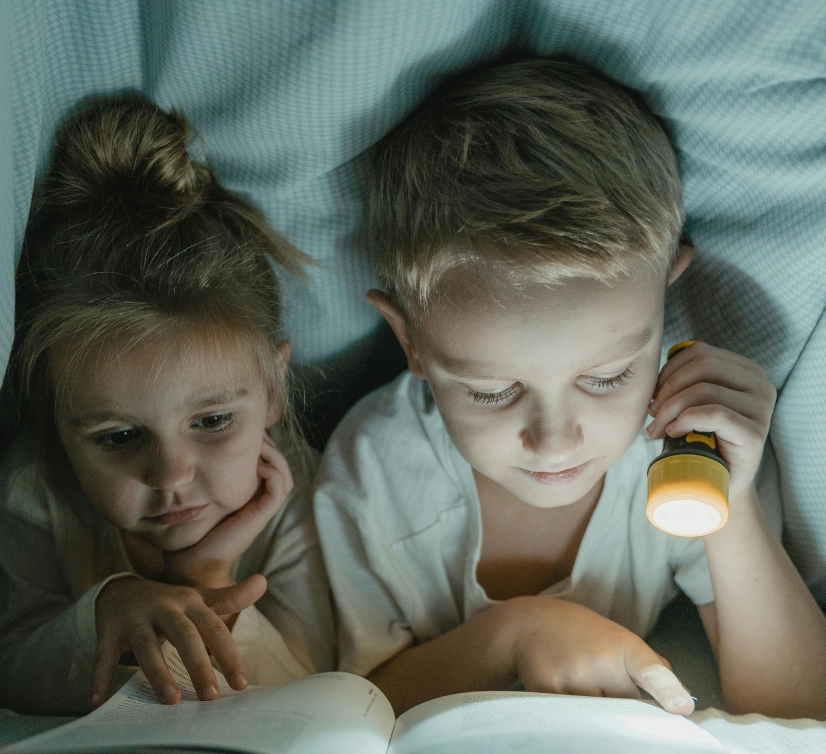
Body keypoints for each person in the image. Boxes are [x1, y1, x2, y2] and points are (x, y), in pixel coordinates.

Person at [314, 59, 826, 719]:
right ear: (410, 341)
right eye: (492, 391)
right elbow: (351, 705)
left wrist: (735, 507)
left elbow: (802, 709)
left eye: (607, 376)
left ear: (665, 305)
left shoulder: (675, 443)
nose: (555, 439)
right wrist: (515, 634)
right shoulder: (374, 473)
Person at [0, 95, 335, 715]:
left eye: (213, 421)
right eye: (118, 436)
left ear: (275, 389)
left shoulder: (300, 492)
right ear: (56, 419)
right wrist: (106, 610)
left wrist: (208, 580)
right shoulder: (30, 496)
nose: (170, 476)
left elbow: (318, 684)